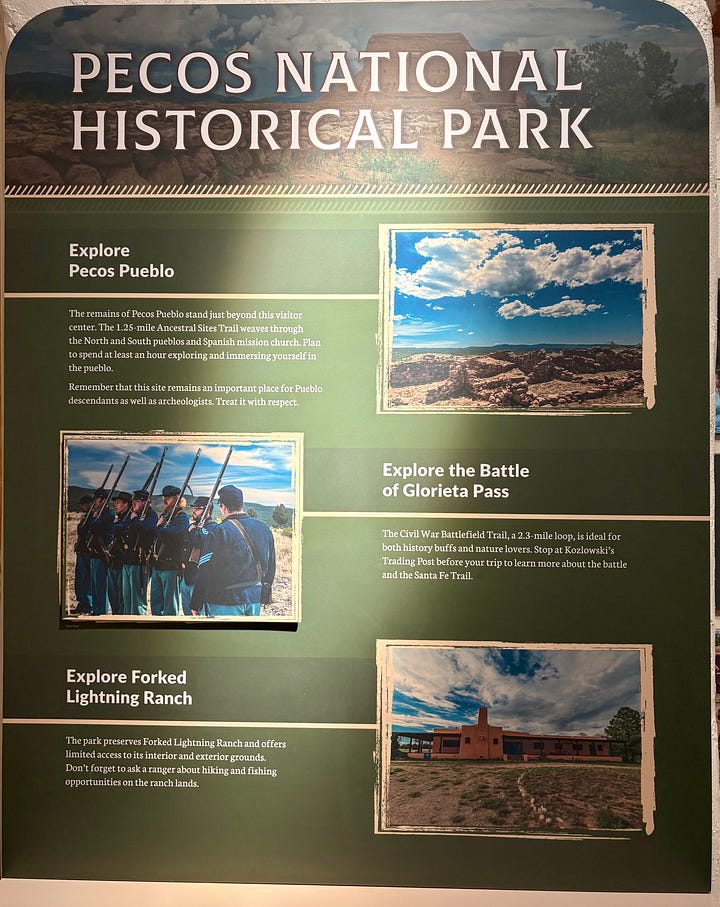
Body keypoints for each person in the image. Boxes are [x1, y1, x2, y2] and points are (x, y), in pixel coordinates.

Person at [191, 485, 275, 618]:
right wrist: (264, 591)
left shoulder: (219, 531)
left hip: (224, 600)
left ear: (223, 507)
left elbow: (205, 569)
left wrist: (196, 602)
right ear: (241, 505)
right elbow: (271, 566)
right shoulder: (264, 529)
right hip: (254, 599)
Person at [150, 484, 189, 616]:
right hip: (158, 564)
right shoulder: (165, 516)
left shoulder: (182, 517)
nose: (165, 500)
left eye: (168, 498)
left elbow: (172, 534)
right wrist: (160, 528)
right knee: (155, 603)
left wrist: (159, 527)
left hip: (171, 565)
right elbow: (158, 533)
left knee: (170, 605)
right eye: (164, 498)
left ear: (177, 499)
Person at [120, 489, 158, 616]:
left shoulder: (151, 515)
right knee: (127, 597)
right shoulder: (133, 515)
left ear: (145, 502)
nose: (134, 503)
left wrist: (135, 520)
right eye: (134, 500)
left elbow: (146, 530)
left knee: (137, 599)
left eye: (137, 500)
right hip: (127, 559)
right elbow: (121, 528)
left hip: (139, 561)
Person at [180, 495, 216, 616]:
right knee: (187, 615)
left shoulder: (212, 527)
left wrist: (192, 531)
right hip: (187, 575)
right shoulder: (194, 526)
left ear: (208, 510)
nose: (194, 510)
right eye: (194, 508)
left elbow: (200, 540)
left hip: (199, 578)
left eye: (198, 508)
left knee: (200, 615)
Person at [84, 487, 114, 616]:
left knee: (101, 586)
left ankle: (101, 612)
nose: (95, 501)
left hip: (101, 554)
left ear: (102, 500)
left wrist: (94, 519)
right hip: (94, 553)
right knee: (94, 585)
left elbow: (94, 528)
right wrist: (93, 518)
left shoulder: (109, 514)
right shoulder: (97, 514)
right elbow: (83, 529)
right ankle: (96, 610)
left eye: (97, 499)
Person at [107, 491, 132, 615]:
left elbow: (118, 529)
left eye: (118, 502)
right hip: (113, 559)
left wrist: (116, 524)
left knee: (121, 594)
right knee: (113, 593)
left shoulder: (129, 518)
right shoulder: (120, 518)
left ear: (126, 504)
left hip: (122, 560)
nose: (115, 505)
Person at [72, 495, 94, 615]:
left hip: (87, 552)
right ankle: (82, 602)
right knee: (80, 579)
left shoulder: (93, 517)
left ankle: (88, 604)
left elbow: (85, 531)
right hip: (82, 551)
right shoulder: (87, 517)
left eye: (84, 504)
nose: (82, 507)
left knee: (86, 579)